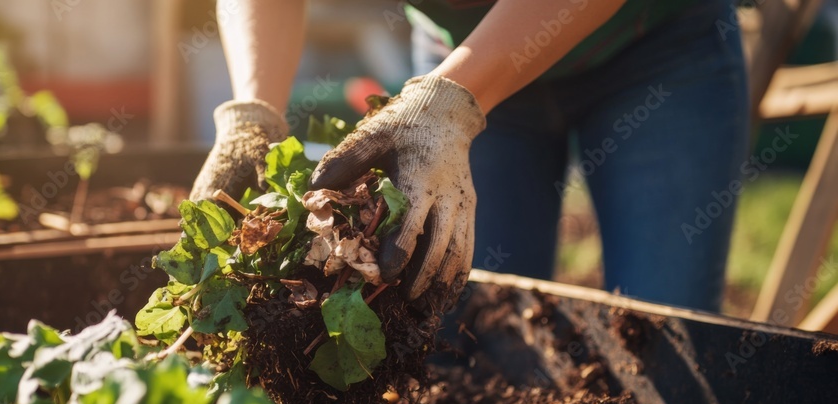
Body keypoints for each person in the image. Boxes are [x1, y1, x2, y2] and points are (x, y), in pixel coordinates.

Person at [191, 0, 749, 313]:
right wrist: (254, 108)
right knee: (468, 328)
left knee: (663, 327)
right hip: (459, 60)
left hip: (656, 51)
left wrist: (451, 99)